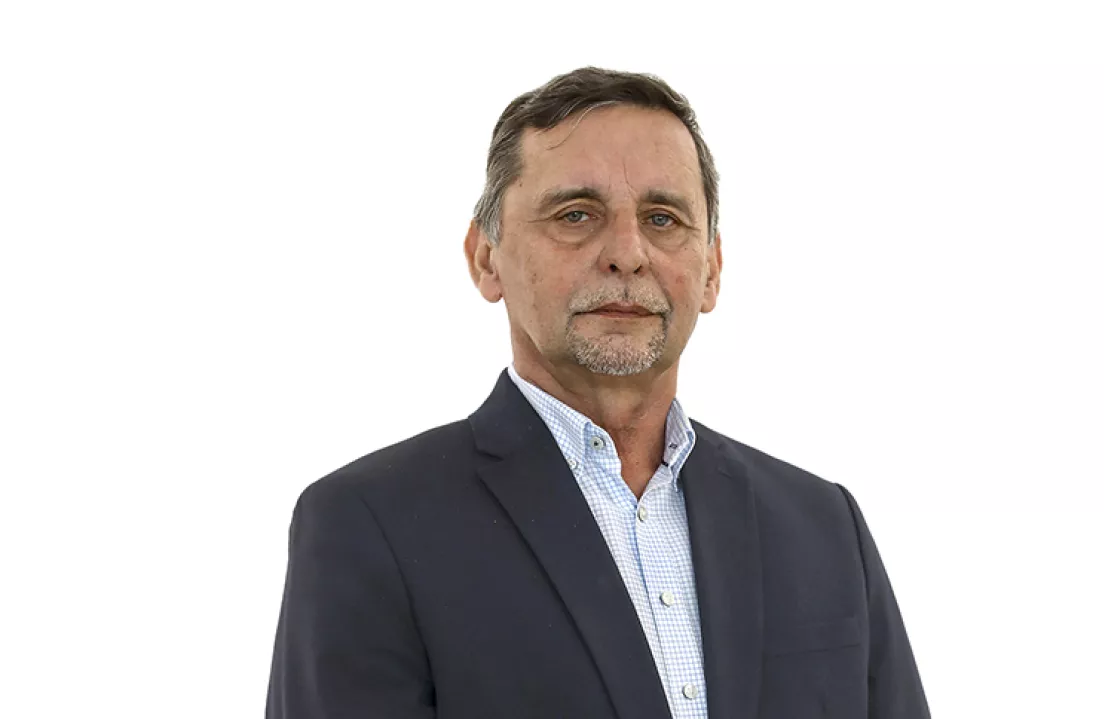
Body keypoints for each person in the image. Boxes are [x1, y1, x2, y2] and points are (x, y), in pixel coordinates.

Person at [264, 66, 930, 719]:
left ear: (711, 270)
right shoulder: (368, 525)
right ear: (485, 258)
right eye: (576, 214)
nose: (628, 252)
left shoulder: (825, 527)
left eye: (663, 218)